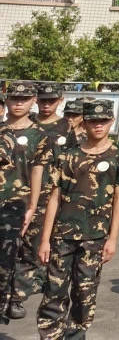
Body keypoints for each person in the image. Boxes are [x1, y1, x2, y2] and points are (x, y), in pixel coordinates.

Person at [35, 98, 119, 339]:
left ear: (112, 121)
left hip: (95, 237)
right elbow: (54, 198)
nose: (98, 125)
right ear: (84, 122)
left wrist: (113, 239)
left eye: (103, 121)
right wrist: (45, 240)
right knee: (54, 291)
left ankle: (77, 334)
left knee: (85, 292)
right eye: (92, 121)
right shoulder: (67, 156)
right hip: (62, 236)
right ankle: (50, 335)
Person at [15, 84, 77, 311]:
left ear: (60, 100)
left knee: (35, 245)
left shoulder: (65, 128)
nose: (46, 104)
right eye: (43, 100)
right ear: (36, 101)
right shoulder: (27, 123)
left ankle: (18, 294)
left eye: (51, 100)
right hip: (20, 192)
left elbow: (71, 163)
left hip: (49, 196)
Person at [0, 80, 44, 323]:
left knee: (14, 258)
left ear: (33, 101)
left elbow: (38, 171)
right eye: (14, 98)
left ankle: (11, 300)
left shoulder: (39, 136)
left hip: (18, 205)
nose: (18, 103)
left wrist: (32, 206)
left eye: (24, 99)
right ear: (6, 100)